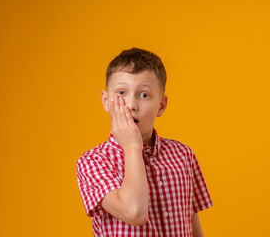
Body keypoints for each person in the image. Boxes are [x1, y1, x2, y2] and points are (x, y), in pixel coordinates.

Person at [76, 47, 213, 236]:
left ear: (161, 105)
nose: (131, 105)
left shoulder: (183, 155)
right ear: (106, 101)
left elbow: (193, 224)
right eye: (121, 92)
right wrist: (133, 148)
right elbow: (134, 213)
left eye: (144, 95)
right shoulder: (94, 162)